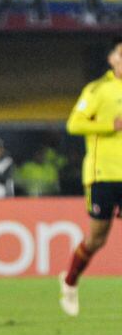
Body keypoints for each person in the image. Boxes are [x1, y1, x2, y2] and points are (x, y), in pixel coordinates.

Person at [59, 36, 122, 316]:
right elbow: (74, 123)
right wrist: (111, 125)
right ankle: (70, 282)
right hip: (102, 173)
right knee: (97, 238)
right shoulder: (98, 90)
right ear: (112, 59)